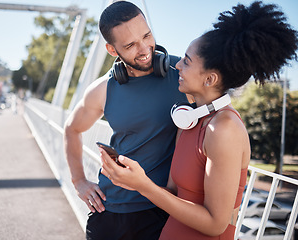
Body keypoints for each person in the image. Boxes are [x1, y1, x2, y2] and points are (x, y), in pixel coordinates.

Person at [100, 1, 298, 239]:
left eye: (187, 61)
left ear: (209, 79)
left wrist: (144, 186)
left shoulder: (223, 128)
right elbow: (172, 194)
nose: (176, 65)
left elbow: (216, 224)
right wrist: (131, 181)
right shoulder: (189, 120)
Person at [63, 1, 188, 239]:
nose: (144, 49)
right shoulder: (102, 89)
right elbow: (71, 128)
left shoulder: (182, 73)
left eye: (147, 36)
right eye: (130, 45)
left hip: (162, 209)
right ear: (112, 50)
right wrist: (79, 181)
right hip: (108, 210)